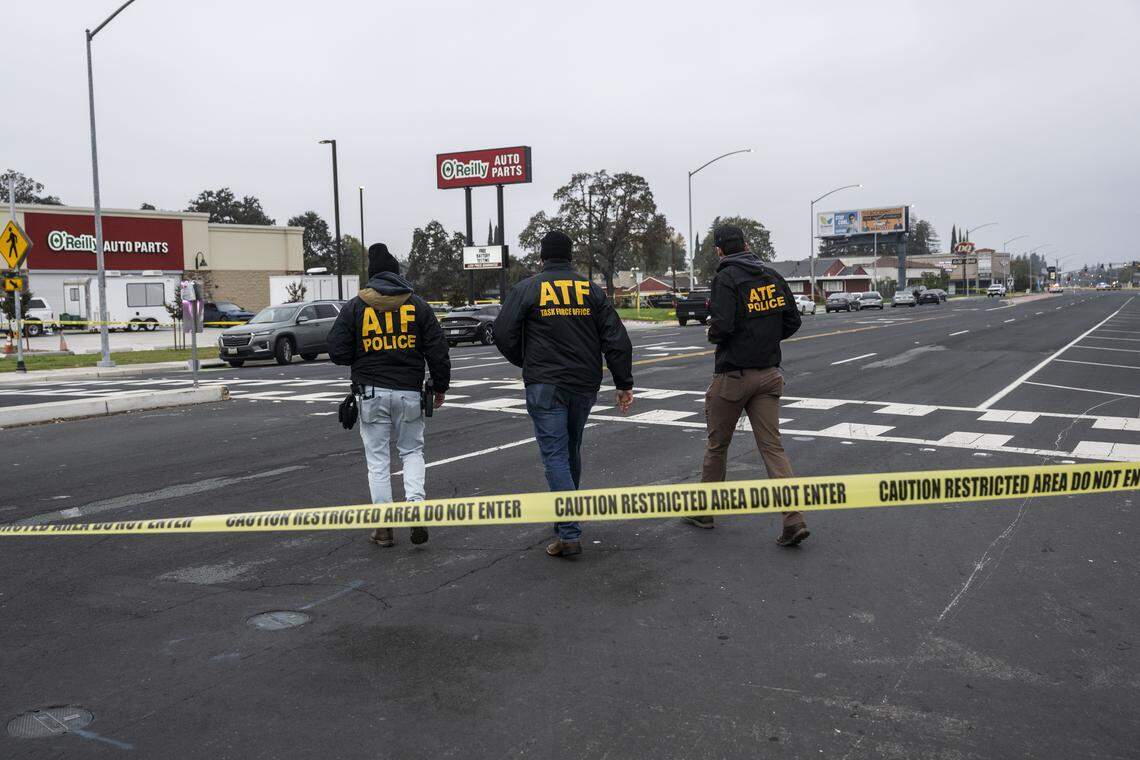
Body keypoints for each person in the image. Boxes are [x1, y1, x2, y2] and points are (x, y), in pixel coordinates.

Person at [494, 230, 634, 558]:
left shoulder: (528, 288)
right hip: (584, 383)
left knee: (555, 455)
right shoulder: (591, 291)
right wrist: (623, 382)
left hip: (545, 383)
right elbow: (617, 338)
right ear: (571, 258)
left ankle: (569, 531)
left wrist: (525, 360)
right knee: (571, 448)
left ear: (542, 258)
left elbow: (502, 331)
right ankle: (564, 520)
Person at [685, 225, 809, 546]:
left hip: (734, 377)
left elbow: (723, 325)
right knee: (772, 447)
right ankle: (793, 518)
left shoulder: (726, 278)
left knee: (717, 446)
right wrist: (765, 339)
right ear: (747, 244)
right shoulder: (771, 276)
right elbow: (792, 320)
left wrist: (712, 333)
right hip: (769, 374)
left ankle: (705, 511)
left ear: (719, 251)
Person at [328, 243, 451, 548]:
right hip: (409, 391)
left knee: (378, 460)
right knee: (411, 452)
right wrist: (440, 386)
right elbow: (438, 348)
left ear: (370, 277)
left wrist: (364, 352)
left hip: (370, 392)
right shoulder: (417, 305)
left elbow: (337, 351)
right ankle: (416, 507)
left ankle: (383, 526)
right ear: (398, 275)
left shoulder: (356, 306)